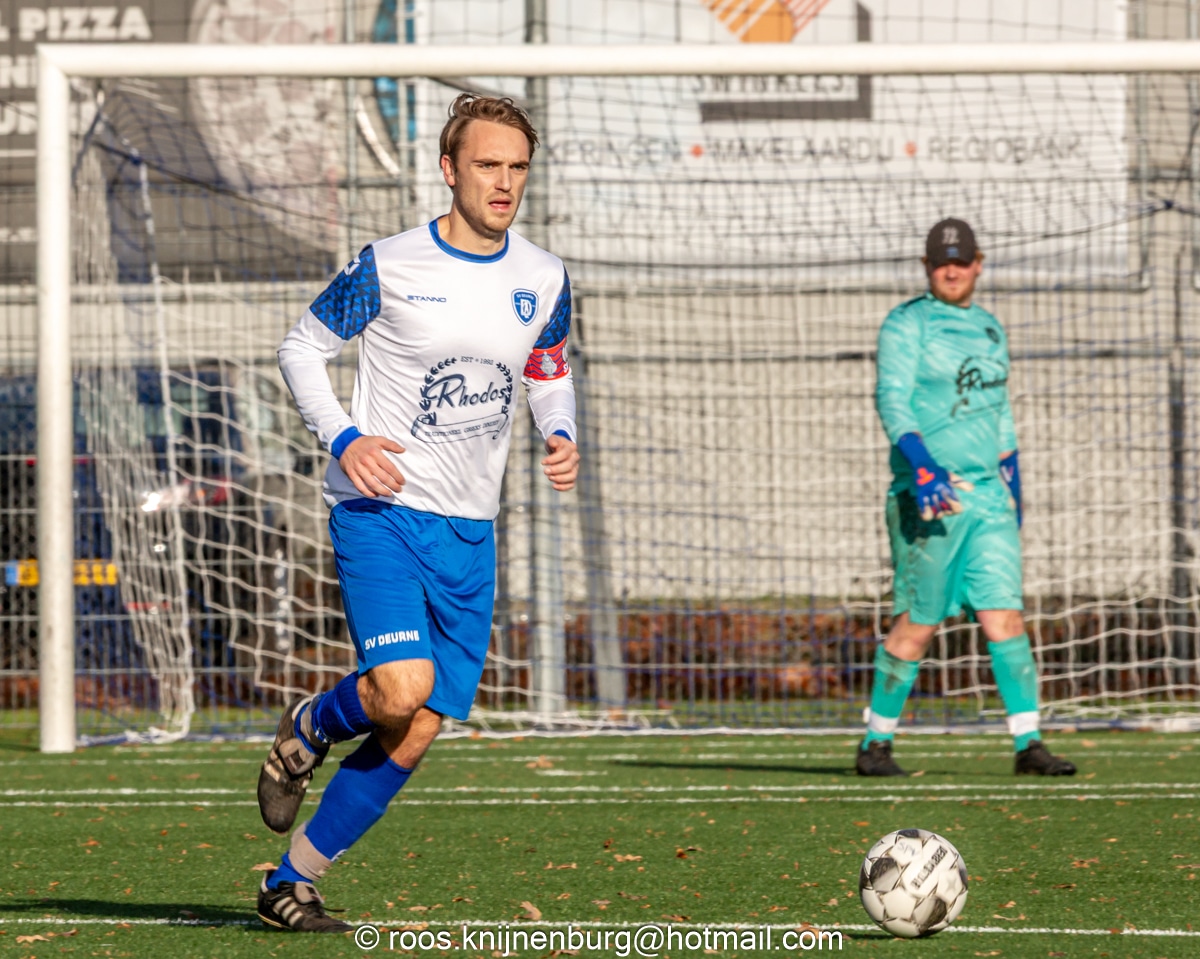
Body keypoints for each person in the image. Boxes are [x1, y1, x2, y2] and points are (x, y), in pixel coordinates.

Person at [254, 94, 580, 932]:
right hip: (382, 510)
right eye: (487, 164)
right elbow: (301, 347)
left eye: (517, 167)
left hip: (471, 529)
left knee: (416, 726)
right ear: (448, 169)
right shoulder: (390, 264)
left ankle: (290, 883)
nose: (504, 182)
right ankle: (310, 724)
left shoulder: (543, 276)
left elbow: (547, 367)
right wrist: (345, 436)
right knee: (403, 686)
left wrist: (560, 430)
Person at [856, 217, 1075, 779]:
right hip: (930, 496)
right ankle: (875, 746)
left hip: (988, 500)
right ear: (926, 267)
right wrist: (924, 467)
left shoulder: (990, 328)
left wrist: (1014, 489)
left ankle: (1028, 744)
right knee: (918, 623)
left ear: (978, 264)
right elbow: (891, 399)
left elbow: (1000, 414)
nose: (950, 270)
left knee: (1005, 617)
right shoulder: (907, 323)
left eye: (960, 260)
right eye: (940, 261)